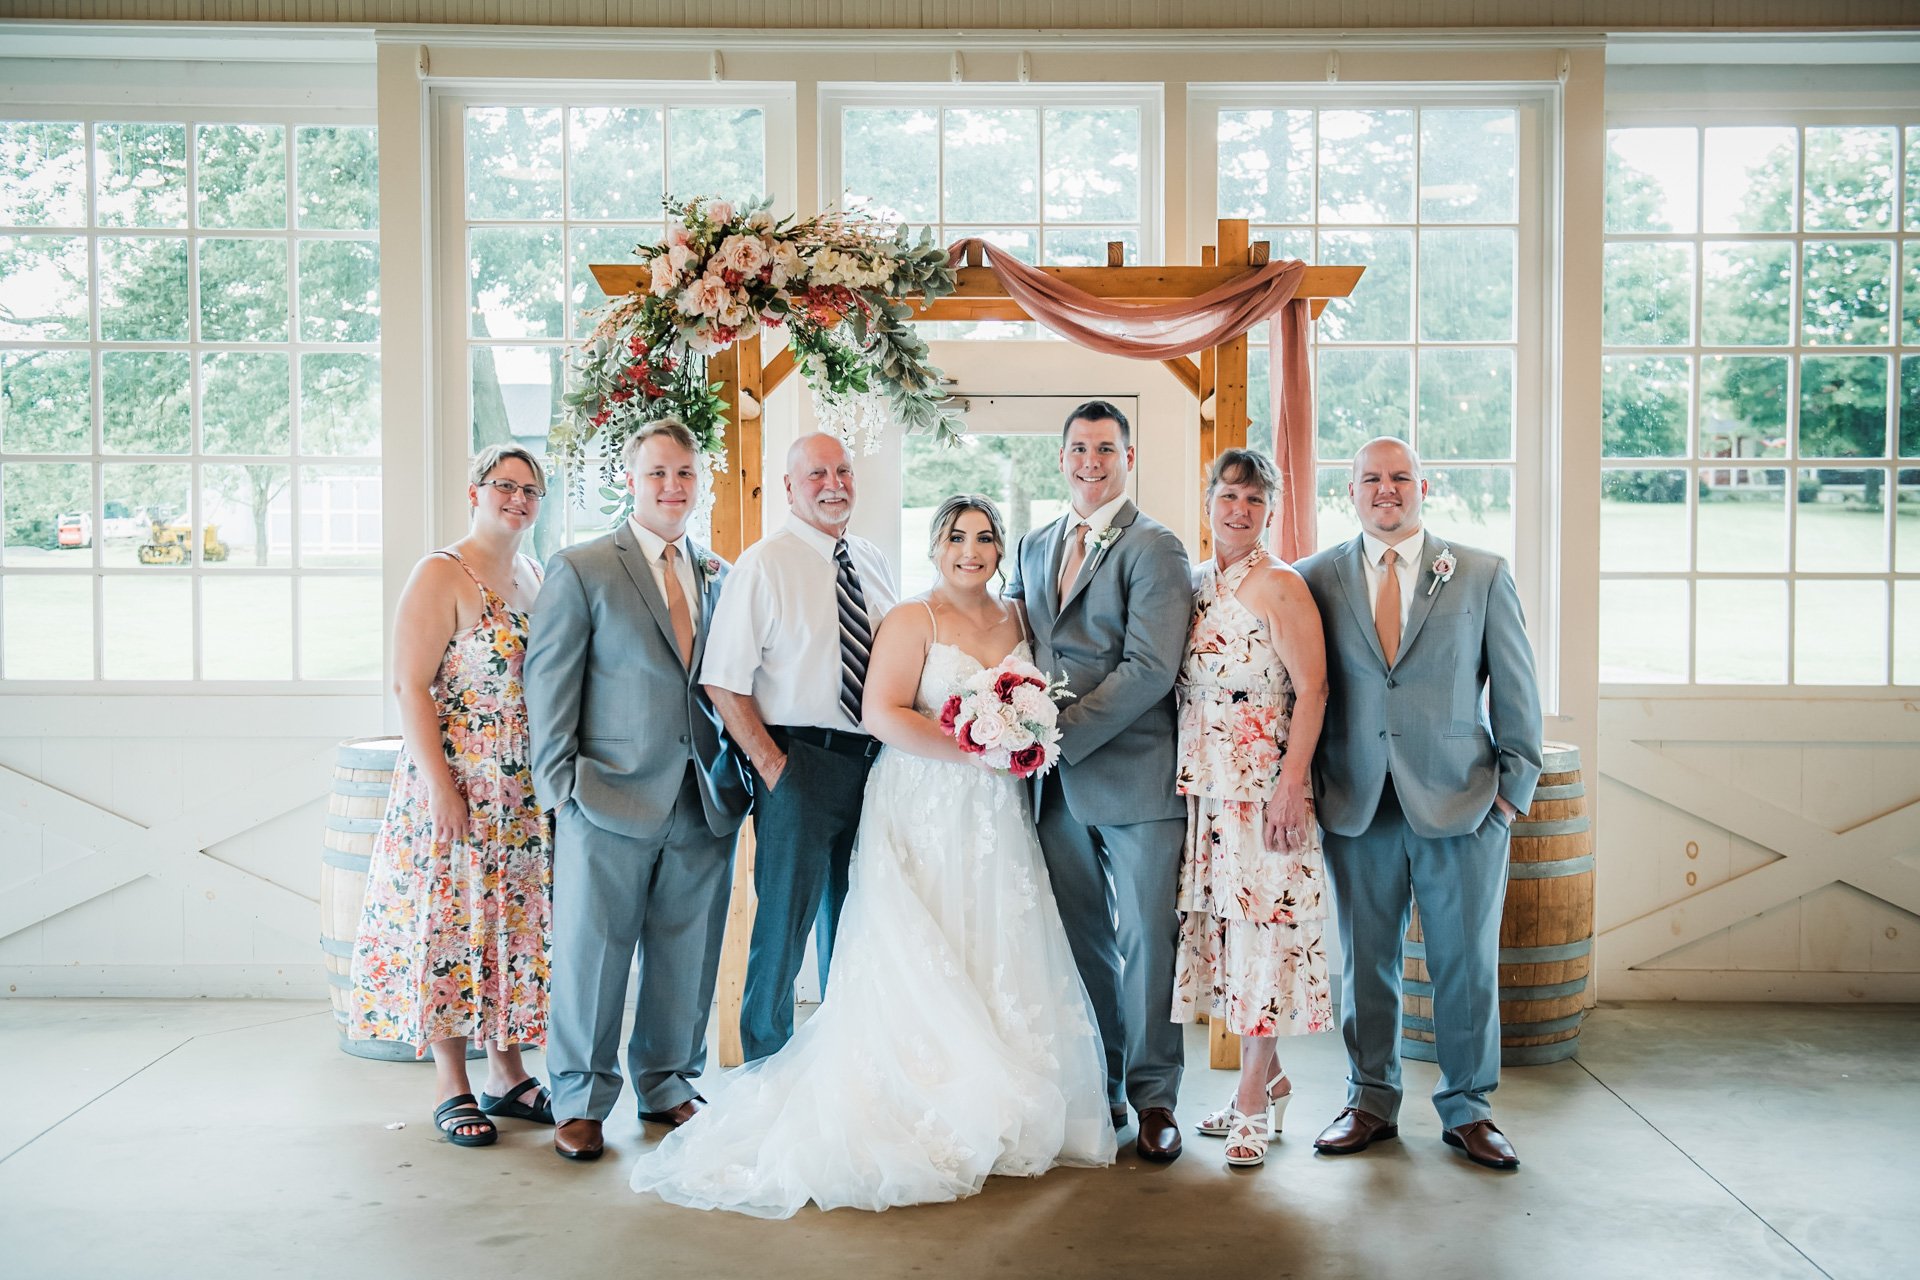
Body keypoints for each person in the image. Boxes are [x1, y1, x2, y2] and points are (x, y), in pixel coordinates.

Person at [631, 495, 1114, 1217]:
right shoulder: (909, 617)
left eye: (984, 538)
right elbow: (882, 713)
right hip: (924, 798)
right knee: (906, 940)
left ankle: (1006, 1080)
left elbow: (1036, 703)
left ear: (1000, 548)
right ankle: (875, 1079)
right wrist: (976, 746)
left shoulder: (1019, 619)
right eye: (956, 538)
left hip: (995, 812)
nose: (970, 551)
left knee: (993, 936)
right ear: (935, 546)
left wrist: (1018, 740)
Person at [1296, 436, 1543, 1171]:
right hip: (1358, 805)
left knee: (1463, 964)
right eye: (1371, 478)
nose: (1386, 490)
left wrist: (1509, 798)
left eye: (1399, 477)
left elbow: (1518, 691)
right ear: (1352, 492)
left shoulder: (1480, 574)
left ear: (1422, 487)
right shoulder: (1316, 578)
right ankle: (1369, 1099)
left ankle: (1469, 1109)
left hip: (1463, 806)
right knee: (1365, 964)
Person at [524, 418, 752, 1163]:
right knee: (593, 957)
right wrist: (560, 793)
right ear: (632, 479)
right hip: (605, 797)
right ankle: (581, 1099)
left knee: (685, 957)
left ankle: (666, 1083)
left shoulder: (720, 573)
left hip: (701, 798)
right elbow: (549, 687)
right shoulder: (584, 567)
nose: (672, 486)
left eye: (685, 473)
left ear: (700, 481)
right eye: (658, 473)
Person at [349, 443, 553, 1147]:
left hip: (521, 790)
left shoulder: (533, 573)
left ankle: (507, 1071)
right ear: (475, 492)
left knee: (507, 926)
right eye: (505, 485)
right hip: (460, 776)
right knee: (452, 921)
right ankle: (452, 1080)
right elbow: (409, 687)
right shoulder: (442, 573)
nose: (518, 499)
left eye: (531, 490)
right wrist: (442, 787)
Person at [1008, 400, 1194, 1163]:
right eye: (1079, 448)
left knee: (1148, 940)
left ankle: (1156, 1098)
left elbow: (1150, 670)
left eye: (1106, 449)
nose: (1092, 461)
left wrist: (1061, 734)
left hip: (1134, 776)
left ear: (1129, 456)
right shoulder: (1034, 543)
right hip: (1052, 790)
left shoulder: (1157, 548)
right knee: (1081, 943)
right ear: (1062, 458)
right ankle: (1104, 1083)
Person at [701, 431, 898, 1062]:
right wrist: (774, 767)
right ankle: (764, 1069)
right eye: (816, 474)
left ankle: (843, 1067)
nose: (834, 484)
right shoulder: (765, 563)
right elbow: (722, 680)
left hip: (873, 765)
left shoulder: (869, 559)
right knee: (782, 927)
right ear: (788, 487)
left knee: (857, 920)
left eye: (842, 471)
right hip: (798, 763)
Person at [1173, 448, 1332, 1168]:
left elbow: (1316, 689)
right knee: (1230, 940)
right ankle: (1268, 1081)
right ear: (1208, 501)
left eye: (1255, 499)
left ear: (1270, 510)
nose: (1239, 510)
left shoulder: (1281, 585)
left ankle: (1247, 1107)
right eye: (1228, 496)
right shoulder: (1197, 583)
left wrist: (1291, 781)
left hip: (1264, 789)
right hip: (1206, 789)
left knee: (1265, 937)